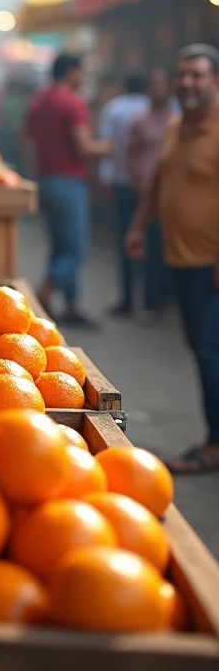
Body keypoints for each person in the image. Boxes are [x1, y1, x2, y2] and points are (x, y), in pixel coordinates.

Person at [126, 44, 219, 473]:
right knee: (200, 349)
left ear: (214, 81)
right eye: (183, 75)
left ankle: (215, 444)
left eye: (197, 75)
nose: (188, 83)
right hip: (180, 260)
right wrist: (138, 226)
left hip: (212, 264)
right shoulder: (175, 126)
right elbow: (158, 183)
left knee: (208, 348)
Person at [22, 54, 112, 328]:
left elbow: (24, 140)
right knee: (77, 249)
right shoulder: (72, 102)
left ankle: (72, 305)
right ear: (72, 72)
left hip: (46, 180)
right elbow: (84, 147)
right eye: (81, 73)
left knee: (61, 246)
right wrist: (111, 148)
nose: (82, 78)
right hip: (69, 183)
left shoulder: (38, 101)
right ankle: (43, 292)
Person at [97, 73, 150, 316]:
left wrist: (104, 179)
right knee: (152, 243)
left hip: (122, 184)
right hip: (151, 188)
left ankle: (128, 299)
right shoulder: (155, 108)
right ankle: (151, 301)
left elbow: (107, 145)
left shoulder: (115, 107)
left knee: (126, 240)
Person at [127, 70, 177, 320]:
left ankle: (166, 298)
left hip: (172, 196)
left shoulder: (177, 119)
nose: (158, 88)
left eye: (162, 84)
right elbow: (131, 153)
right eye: (153, 84)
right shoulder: (140, 120)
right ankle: (147, 301)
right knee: (146, 247)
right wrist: (138, 181)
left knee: (166, 248)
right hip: (144, 192)